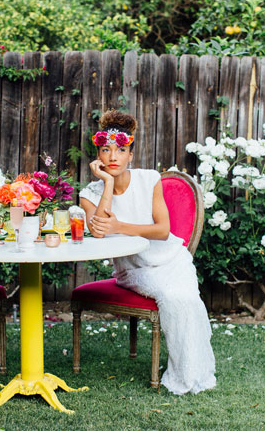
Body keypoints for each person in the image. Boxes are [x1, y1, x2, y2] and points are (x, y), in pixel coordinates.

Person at [78, 110, 216, 395]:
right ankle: (184, 375)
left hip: (173, 260)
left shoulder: (149, 179)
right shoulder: (88, 193)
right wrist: (107, 184)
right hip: (135, 270)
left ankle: (191, 373)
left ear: (131, 155)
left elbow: (163, 230)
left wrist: (121, 225)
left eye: (121, 150)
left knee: (187, 298)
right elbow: (99, 230)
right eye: (106, 150)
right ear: (98, 156)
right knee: (173, 298)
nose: (113, 157)